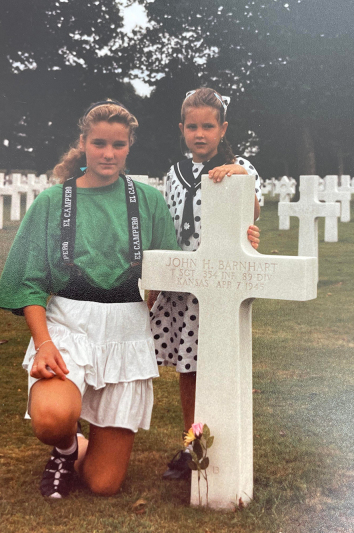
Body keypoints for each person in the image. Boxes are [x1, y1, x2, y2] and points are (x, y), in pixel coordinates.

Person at [0, 100, 181, 498]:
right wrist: (44, 343)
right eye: (99, 143)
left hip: (125, 333)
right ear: (83, 143)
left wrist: (245, 232)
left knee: (103, 483)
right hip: (67, 329)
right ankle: (64, 448)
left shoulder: (148, 201)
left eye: (118, 144)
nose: (108, 153)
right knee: (51, 418)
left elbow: (171, 268)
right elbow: (26, 281)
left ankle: (78, 451)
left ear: (129, 145)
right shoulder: (52, 202)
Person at [148, 87, 262, 480]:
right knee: (188, 367)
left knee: (220, 363)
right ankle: (191, 442)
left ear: (222, 128)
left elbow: (253, 210)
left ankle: (223, 440)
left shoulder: (240, 166)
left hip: (220, 280)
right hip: (184, 286)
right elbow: (167, 226)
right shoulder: (174, 175)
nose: (200, 134)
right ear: (182, 129)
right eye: (192, 126)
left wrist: (238, 174)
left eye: (208, 126)